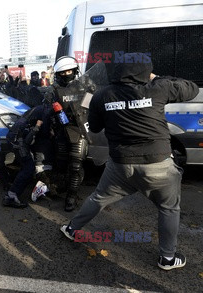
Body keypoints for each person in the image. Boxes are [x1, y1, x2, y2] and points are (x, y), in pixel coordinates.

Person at [60, 52, 199, 271]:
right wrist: (157, 78)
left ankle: (71, 229)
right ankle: (168, 259)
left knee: (98, 198)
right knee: (168, 208)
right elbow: (191, 89)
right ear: (146, 71)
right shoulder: (158, 88)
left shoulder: (103, 95)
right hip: (158, 165)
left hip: (120, 166)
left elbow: (94, 128)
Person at [44, 56, 95, 212]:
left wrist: (83, 108)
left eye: (69, 71)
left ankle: (71, 197)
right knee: (61, 164)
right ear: (58, 74)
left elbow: (92, 104)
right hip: (62, 131)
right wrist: (54, 110)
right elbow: (46, 109)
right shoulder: (53, 90)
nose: (66, 74)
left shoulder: (85, 85)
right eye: (63, 72)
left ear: (75, 70)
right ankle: (63, 188)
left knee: (75, 165)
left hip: (79, 129)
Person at [4, 103, 54, 208]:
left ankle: (12, 189)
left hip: (16, 136)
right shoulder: (47, 110)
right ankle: (11, 196)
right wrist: (40, 129)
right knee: (28, 168)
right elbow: (42, 133)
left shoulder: (41, 107)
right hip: (19, 140)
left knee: (26, 166)